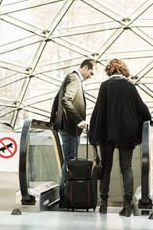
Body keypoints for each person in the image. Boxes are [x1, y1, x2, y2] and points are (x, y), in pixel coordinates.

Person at [89, 58, 152, 216]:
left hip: (107, 132)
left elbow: (98, 109)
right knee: (126, 167)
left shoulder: (105, 86)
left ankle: (103, 204)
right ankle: (127, 205)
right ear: (123, 70)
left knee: (106, 168)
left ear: (110, 71)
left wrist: (93, 133)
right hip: (127, 132)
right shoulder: (130, 86)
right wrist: (148, 119)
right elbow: (141, 106)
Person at [50, 59, 96, 203]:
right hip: (70, 127)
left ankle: (67, 196)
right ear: (84, 68)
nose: (91, 75)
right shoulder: (74, 78)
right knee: (70, 162)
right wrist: (78, 120)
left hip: (68, 127)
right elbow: (65, 100)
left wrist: (53, 122)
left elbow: (56, 100)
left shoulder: (72, 78)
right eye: (91, 72)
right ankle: (65, 197)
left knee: (70, 160)